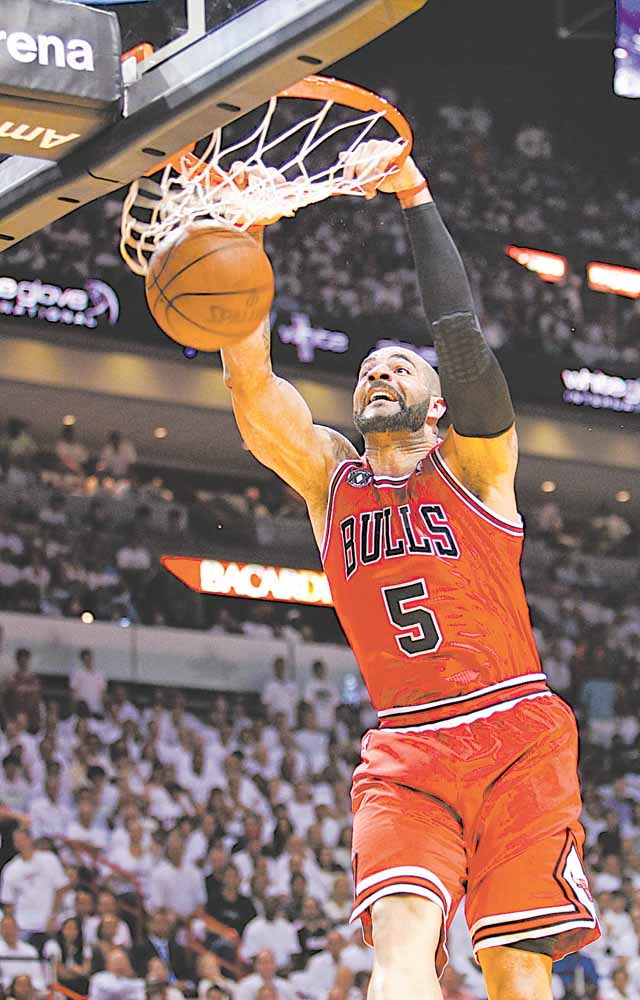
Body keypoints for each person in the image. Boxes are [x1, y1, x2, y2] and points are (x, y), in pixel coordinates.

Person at [219, 141, 600, 999]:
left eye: (398, 367)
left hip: (514, 732)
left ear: (435, 406)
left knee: (514, 973)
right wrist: (245, 245)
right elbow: (253, 389)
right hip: (406, 748)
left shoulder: (474, 468)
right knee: (396, 952)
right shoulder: (330, 477)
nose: (375, 373)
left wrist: (414, 197)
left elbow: (462, 343)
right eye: (364, 371)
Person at [0, 915, 45, 993]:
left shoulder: (30, 950)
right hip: (6, 991)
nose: (8, 931)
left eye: (11, 927)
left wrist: (29, 986)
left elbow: (37, 977)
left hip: (30, 990)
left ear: (17, 929)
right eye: (5, 928)